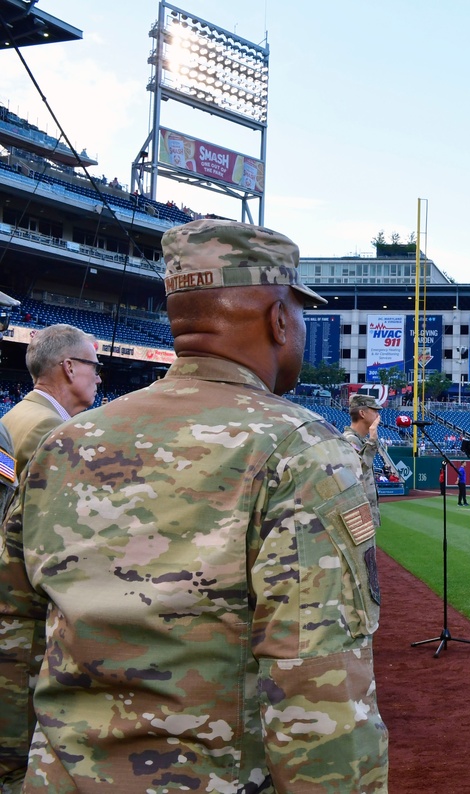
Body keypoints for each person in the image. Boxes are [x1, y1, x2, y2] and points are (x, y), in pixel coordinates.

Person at [0, 219, 388, 791]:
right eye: (299, 311)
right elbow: (316, 683)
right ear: (279, 318)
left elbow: (15, 630)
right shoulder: (301, 447)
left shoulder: (65, 443)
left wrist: (11, 769)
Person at [1, 323, 102, 476]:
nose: (98, 379)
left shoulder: (17, 413)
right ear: (69, 368)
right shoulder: (49, 427)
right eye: (95, 368)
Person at [342, 392, 383, 527]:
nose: (378, 415)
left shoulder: (359, 440)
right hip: (358, 511)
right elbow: (359, 471)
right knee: (363, 546)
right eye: (374, 411)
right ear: (362, 413)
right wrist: (372, 441)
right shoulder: (349, 439)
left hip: (363, 509)